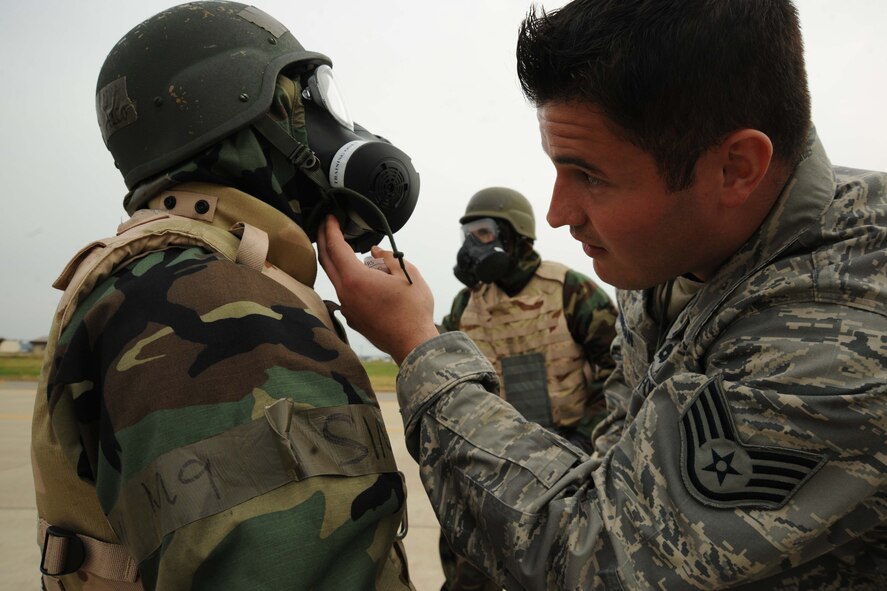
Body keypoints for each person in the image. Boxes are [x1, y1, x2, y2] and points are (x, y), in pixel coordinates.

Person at [317, 0, 887, 589]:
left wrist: (417, 347)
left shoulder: (844, 329)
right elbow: (620, 447)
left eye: (591, 175)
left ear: (736, 168)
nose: (558, 213)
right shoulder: (673, 257)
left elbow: (598, 557)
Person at [30, 2, 420, 590]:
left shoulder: (152, 275)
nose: (338, 125)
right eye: (306, 99)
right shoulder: (224, 301)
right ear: (245, 111)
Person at [438, 187, 617, 590]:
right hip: (491, 472)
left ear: (514, 235)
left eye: (482, 233)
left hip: (568, 471)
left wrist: (584, 439)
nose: (471, 245)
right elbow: (450, 384)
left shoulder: (568, 289)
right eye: (467, 234)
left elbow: (622, 370)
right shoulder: (465, 306)